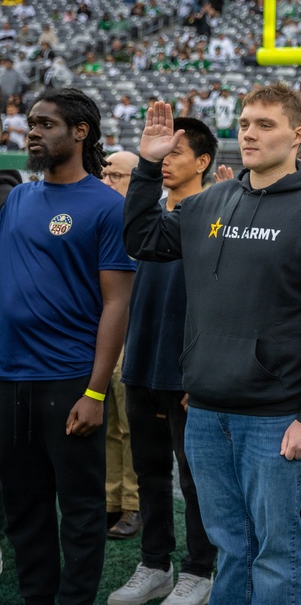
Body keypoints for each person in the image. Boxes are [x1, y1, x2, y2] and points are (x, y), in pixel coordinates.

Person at [123, 84, 301, 605]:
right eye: (245, 122)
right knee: (230, 547)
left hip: (277, 417)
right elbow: (142, 239)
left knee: (276, 552)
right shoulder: (213, 199)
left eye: (265, 124)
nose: (250, 133)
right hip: (207, 411)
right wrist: (146, 167)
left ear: (298, 135)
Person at [0, 88, 135, 605]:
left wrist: (96, 393)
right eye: (31, 122)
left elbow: (116, 304)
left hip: (68, 381)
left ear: (81, 132)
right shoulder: (18, 198)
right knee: (23, 507)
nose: (33, 130)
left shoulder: (106, 205)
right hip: (10, 379)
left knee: (80, 510)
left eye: (46, 123)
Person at [109, 119, 219, 605]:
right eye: (162, 153)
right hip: (143, 365)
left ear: (203, 162)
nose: (166, 159)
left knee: (194, 479)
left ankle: (201, 569)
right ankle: (155, 564)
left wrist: (204, 372)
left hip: (188, 373)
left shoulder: (215, 218)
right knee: (149, 472)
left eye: (177, 152)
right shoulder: (146, 218)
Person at [100, 150, 143, 542]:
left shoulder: (143, 219)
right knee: (110, 426)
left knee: (129, 428)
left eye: (116, 175)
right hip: (107, 335)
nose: (107, 181)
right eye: (106, 174)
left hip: (135, 336)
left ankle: (132, 504)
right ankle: (113, 500)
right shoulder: (106, 216)